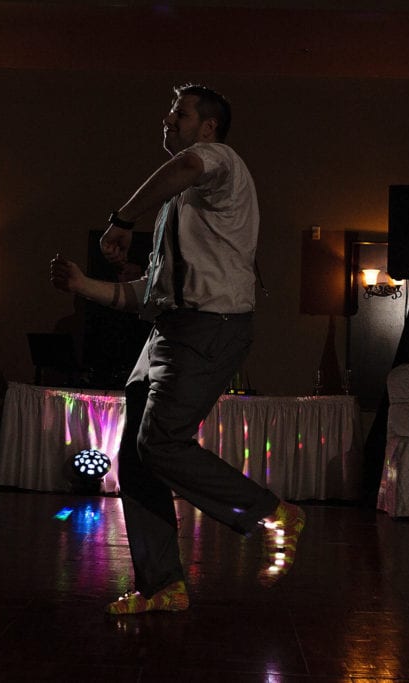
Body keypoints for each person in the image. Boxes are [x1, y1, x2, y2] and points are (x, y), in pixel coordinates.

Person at [49, 83, 305, 614]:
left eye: (179, 114)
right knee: (138, 458)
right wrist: (83, 286)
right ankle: (162, 584)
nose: (167, 121)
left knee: (161, 443)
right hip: (168, 330)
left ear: (207, 127)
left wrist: (122, 218)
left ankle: (271, 511)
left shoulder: (218, 162)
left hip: (210, 328)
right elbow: (147, 292)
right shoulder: (176, 207)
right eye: (168, 114)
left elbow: (186, 167)